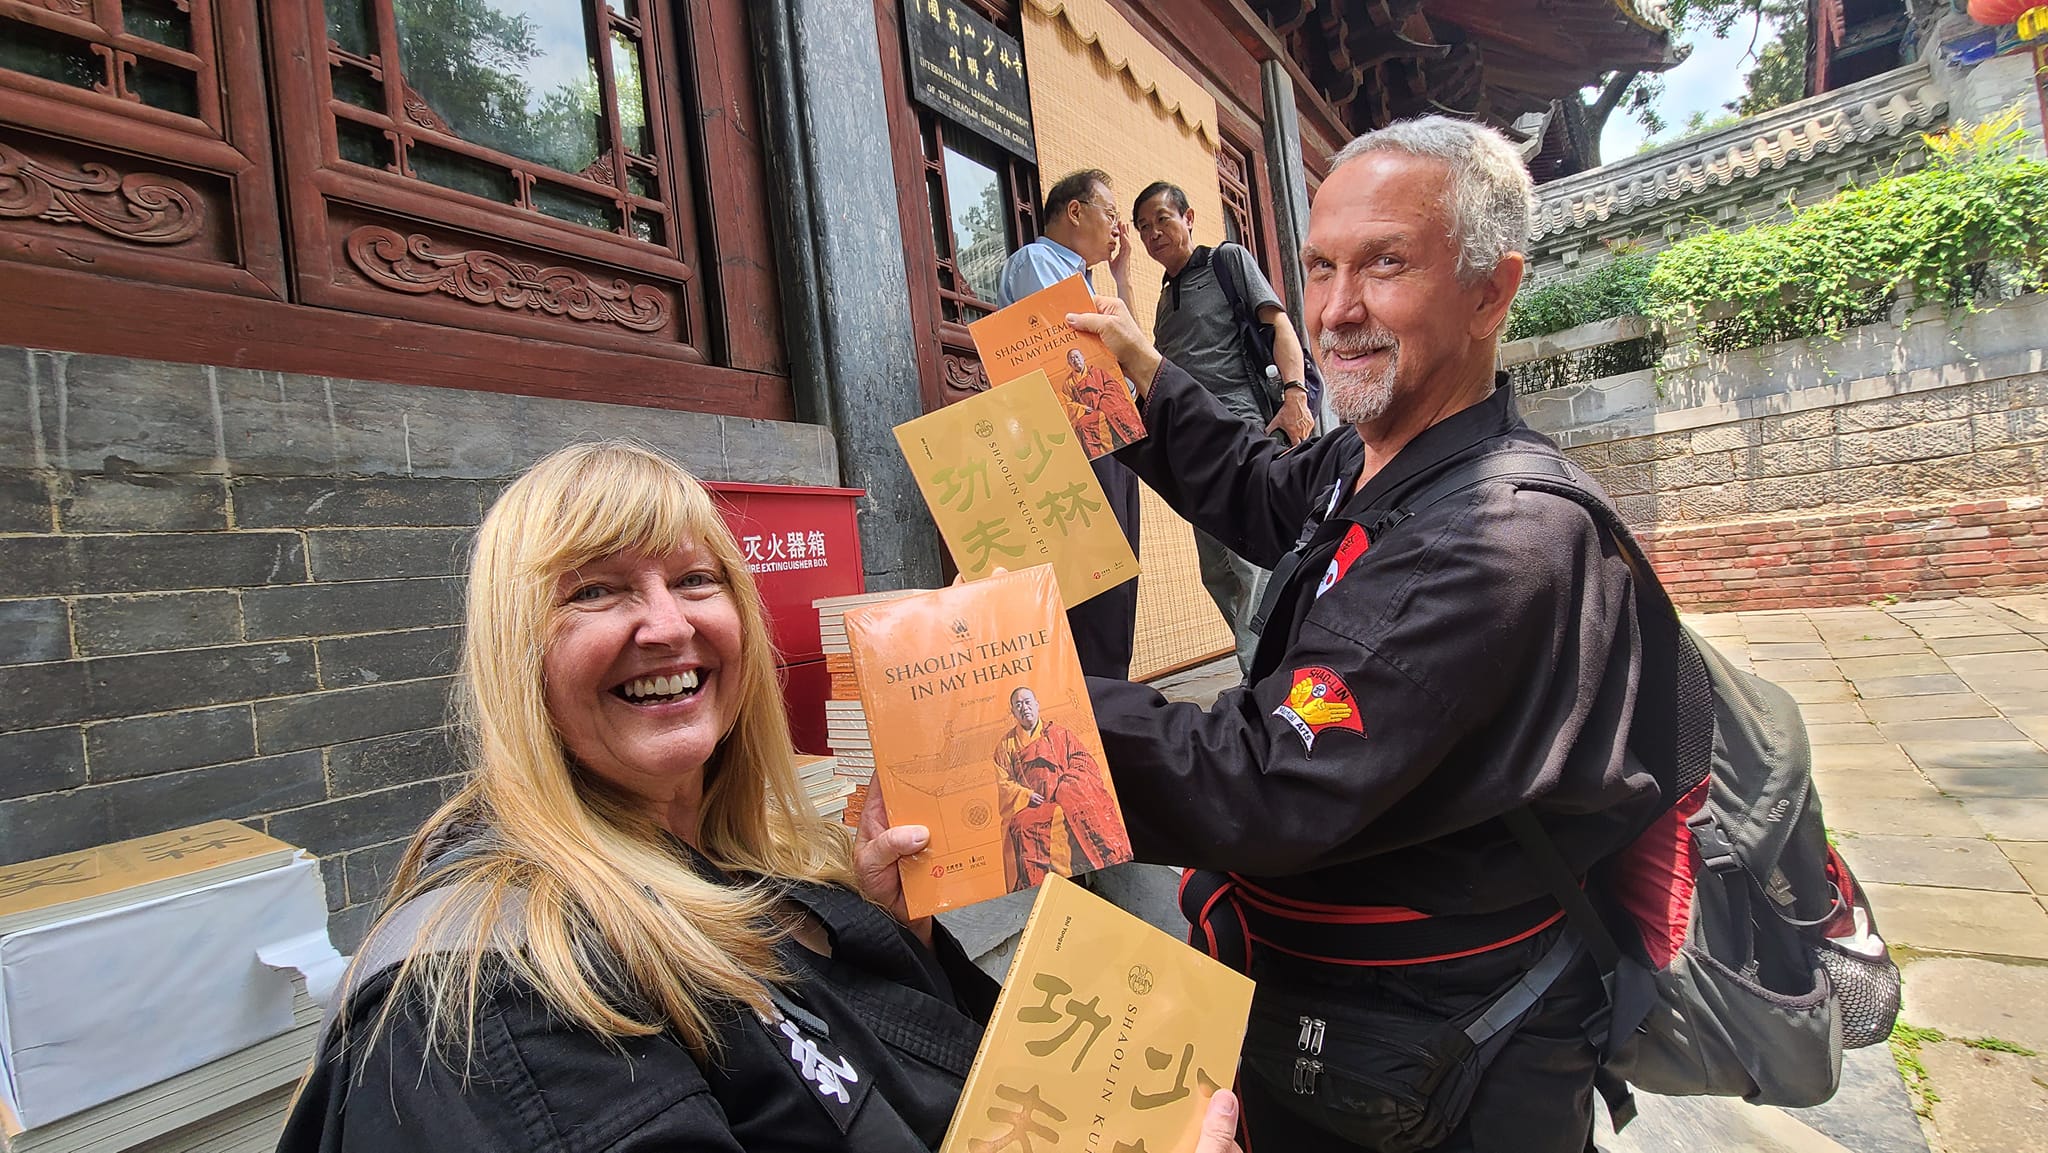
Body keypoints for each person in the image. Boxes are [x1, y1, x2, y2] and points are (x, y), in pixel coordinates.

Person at [274, 442, 1241, 1153]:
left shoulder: (753, 861)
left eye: (696, 579)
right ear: (511, 649)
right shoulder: (493, 1007)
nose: (666, 626)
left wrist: (895, 939)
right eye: (596, 592)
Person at [1066, 118, 1662, 1151]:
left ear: (1490, 290)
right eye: (1321, 267)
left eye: (1385, 265)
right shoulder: (1369, 458)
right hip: (1350, 1021)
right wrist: (1142, 371)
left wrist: (1014, 697)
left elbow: (1258, 778)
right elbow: (1258, 488)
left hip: (1443, 1055)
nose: (1336, 310)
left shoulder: (1498, 538)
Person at [1133, 181, 1313, 677]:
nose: (1153, 233)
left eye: (1161, 220)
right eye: (1143, 227)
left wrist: (1295, 394)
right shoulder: (1164, 301)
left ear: (1188, 217)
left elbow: (1279, 326)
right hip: (1193, 449)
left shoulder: (1226, 262)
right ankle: (1280, 662)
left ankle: (1262, 681)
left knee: (1253, 566)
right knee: (1217, 572)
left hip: (1243, 434)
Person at [996, 169, 1142, 680]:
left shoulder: (1086, 280)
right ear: (1075, 212)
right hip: (1075, 438)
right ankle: (1099, 704)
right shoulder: (1037, 262)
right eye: (1110, 213)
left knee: (1119, 575)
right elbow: (1074, 353)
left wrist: (1123, 278)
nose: (1117, 227)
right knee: (1095, 582)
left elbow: (1132, 355)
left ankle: (1113, 699)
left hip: (1109, 434)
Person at [993, 686, 1132, 888]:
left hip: (1066, 798)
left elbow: (1083, 761)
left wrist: (1066, 786)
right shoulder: (1005, 746)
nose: (1024, 707)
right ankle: (1037, 885)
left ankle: (1092, 870)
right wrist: (1026, 795)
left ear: (1037, 704)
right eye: (1018, 704)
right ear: (1013, 712)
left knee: (1081, 811)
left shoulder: (1060, 734)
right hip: (1033, 806)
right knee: (1022, 826)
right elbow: (1004, 783)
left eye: (1027, 702)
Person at [1059, 347, 1146, 455]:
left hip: (1105, 404)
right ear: (1069, 364)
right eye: (1072, 359)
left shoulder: (1098, 372)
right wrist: (1083, 408)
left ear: (1082, 357)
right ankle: (1099, 455)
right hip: (1089, 411)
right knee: (1082, 425)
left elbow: (1112, 385)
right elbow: (1069, 403)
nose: (1075, 360)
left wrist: (1103, 401)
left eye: (1077, 357)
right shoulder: (1068, 383)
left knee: (1118, 411)